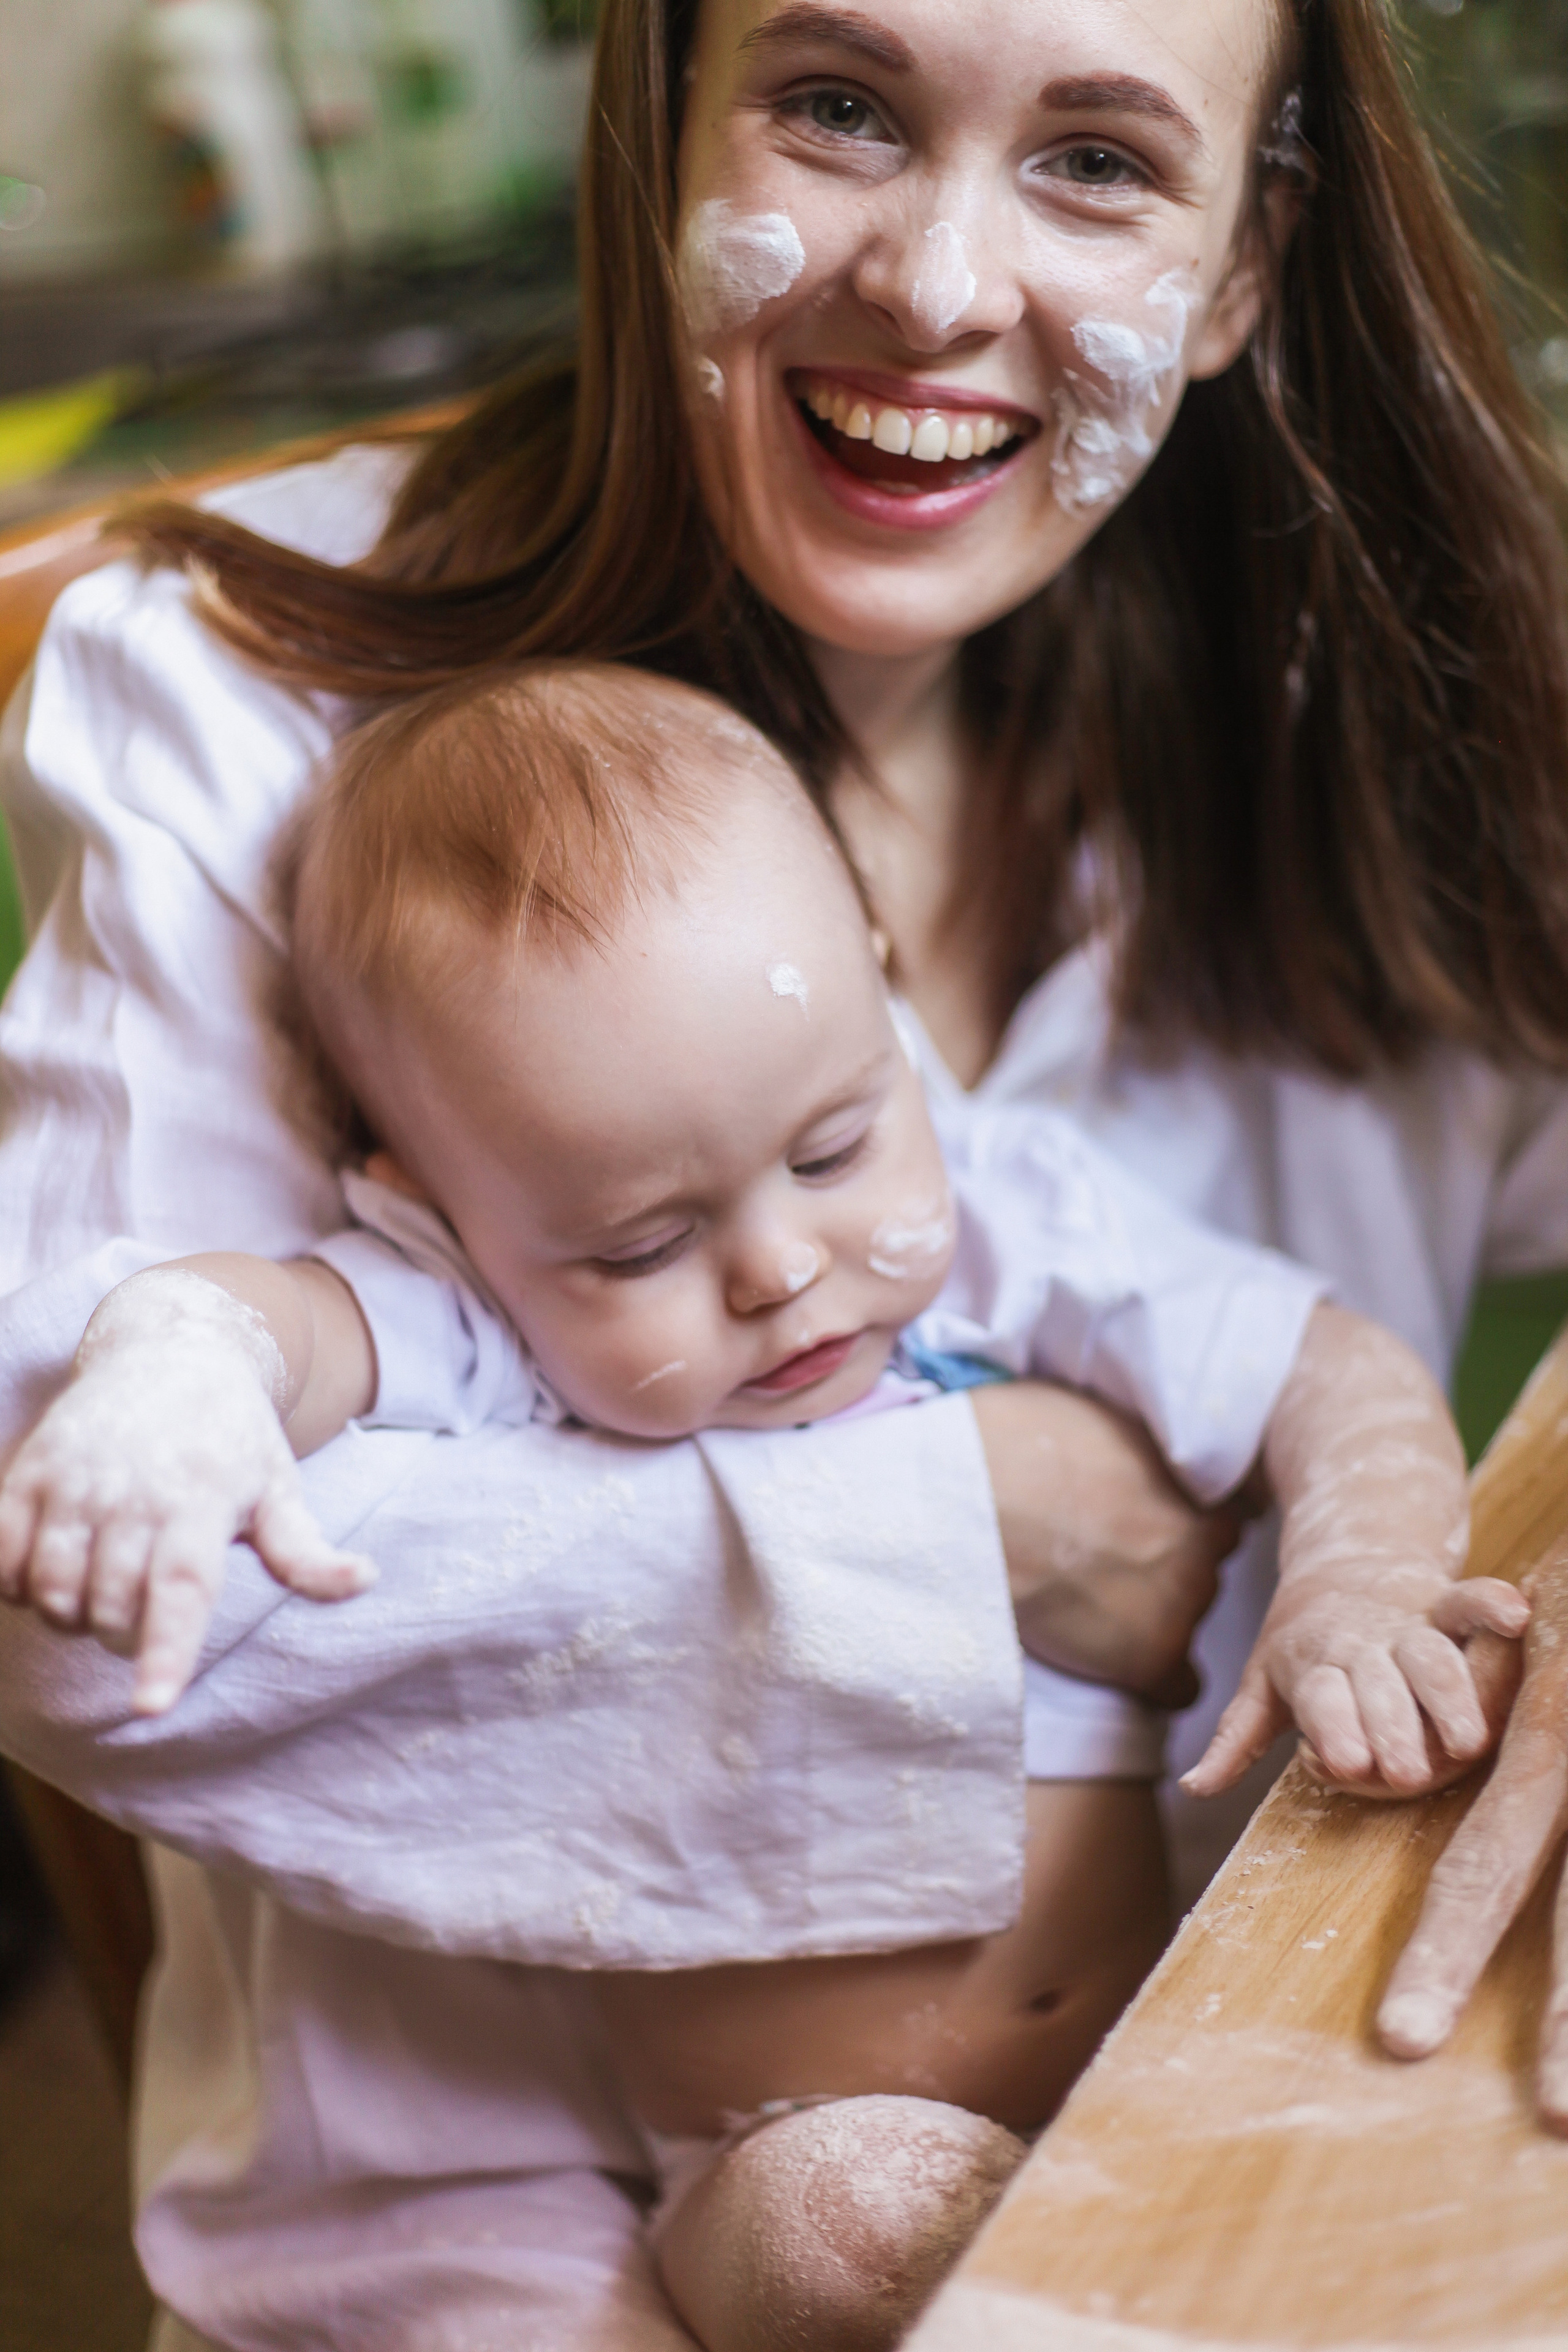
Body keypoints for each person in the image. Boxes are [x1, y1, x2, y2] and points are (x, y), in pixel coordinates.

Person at [1, 0, 1566, 2341]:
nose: (937, 286)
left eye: (1102, 163)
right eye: (838, 108)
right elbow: (82, 1596)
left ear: (1246, 264)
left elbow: (1326, 1381)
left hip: (1249, 2130)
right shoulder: (251, 688)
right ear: (662, 130)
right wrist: (1002, 1513)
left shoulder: (1379, 679)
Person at [0, 661, 1525, 2351]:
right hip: (775, 2165)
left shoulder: (1013, 1221)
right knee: (859, 2224)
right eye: (645, 1247)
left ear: (882, 1000)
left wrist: (1359, 1582)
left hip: (1170, 2043)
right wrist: (181, 1368)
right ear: (432, 1206)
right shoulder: (491, 1322)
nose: (783, 1269)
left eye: (834, 1149)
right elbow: (285, 1327)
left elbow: (1330, 1365)